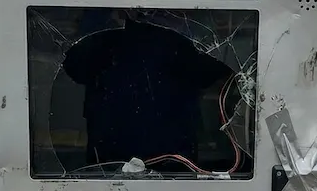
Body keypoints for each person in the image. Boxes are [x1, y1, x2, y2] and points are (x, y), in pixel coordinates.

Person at [62, 17, 231, 169]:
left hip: (171, 139)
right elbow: (76, 66)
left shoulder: (176, 20)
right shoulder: (104, 17)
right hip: (113, 138)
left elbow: (206, 71)